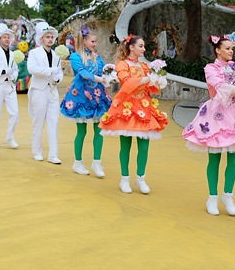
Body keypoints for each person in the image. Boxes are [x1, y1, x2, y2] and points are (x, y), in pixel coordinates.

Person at [182, 36, 235, 216]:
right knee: (215, 157)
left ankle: (228, 195)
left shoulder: (234, 68)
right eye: (227, 48)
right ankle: (212, 197)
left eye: (231, 49)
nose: (230, 51)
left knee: (234, 157)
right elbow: (221, 87)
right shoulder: (210, 68)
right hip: (216, 113)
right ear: (218, 50)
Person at [99, 35, 168, 193]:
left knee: (144, 146)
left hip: (144, 105)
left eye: (144, 46)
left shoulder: (144, 66)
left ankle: (141, 178)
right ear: (131, 47)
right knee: (126, 145)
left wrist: (157, 82)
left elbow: (149, 88)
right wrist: (146, 79)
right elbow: (127, 83)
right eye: (141, 46)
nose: (144, 49)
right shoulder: (122, 65)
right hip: (127, 106)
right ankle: (125, 179)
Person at [60, 27, 112, 177]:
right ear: (84, 41)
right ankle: (78, 162)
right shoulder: (75, 57)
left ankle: (97, 162)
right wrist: (98, 79)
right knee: (81, 131)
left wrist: (110, 76)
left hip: (97, 95)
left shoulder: (97, 57)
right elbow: (82, 73)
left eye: (95, 41)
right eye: (93, 41)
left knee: (99, 129)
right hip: (81, 96)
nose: (95, 44)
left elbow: (104, 70)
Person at [27, 22, 63, 164]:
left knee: (54, 122)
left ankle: (53, 155)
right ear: (41, 39)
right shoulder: (34, 53)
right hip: (39, 91)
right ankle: (37, 151)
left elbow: (59, 72)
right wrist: (50, 71)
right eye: (47, 37)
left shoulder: (56, 56)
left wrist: (57, 78)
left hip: (52, 91)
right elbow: (32, 69)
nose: (50, 39)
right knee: (38, 122)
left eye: (51, 37)